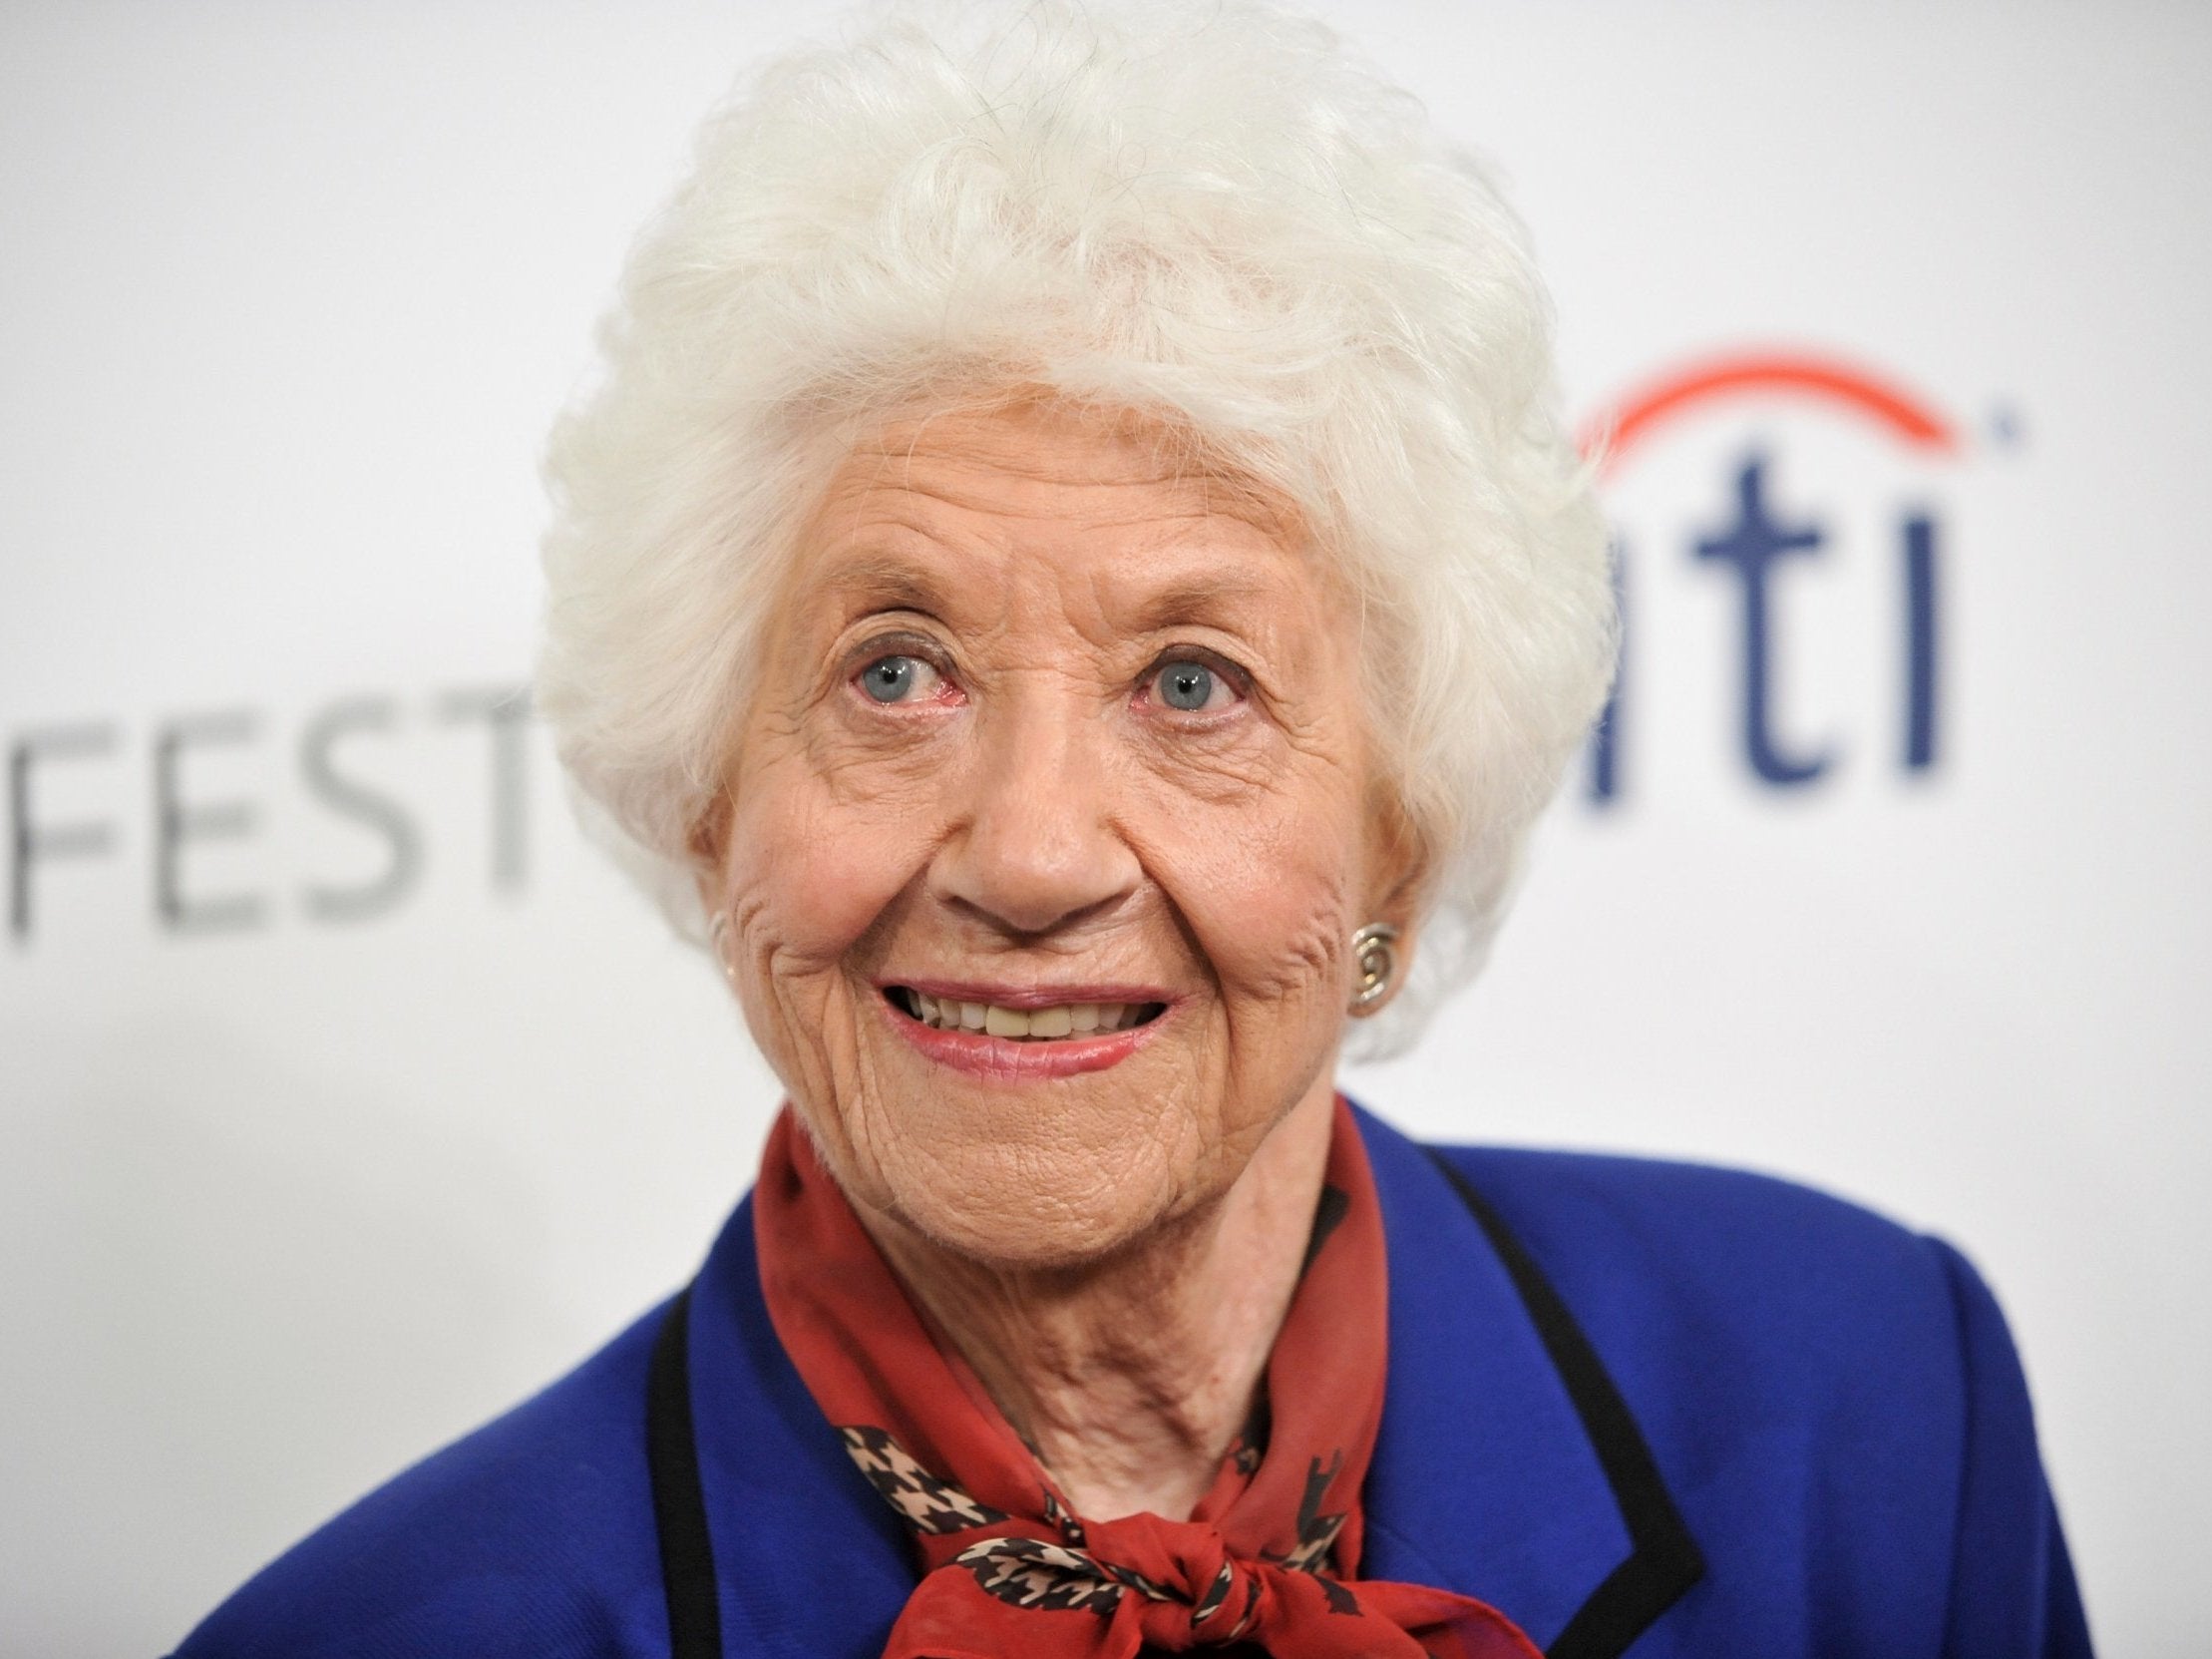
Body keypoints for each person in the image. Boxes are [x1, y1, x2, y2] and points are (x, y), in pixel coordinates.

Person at [172, 3, 2091, 1655]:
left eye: (1192, 685)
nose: (1026, 854)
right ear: (709, 806)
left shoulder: (1862, 1414)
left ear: (1398, 850)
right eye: (895, 672)